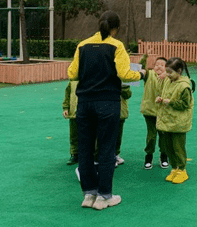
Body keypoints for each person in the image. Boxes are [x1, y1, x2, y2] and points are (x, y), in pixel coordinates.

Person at [67, 11, 145, 210]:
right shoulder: (116, 46)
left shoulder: (82, 45)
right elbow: (124, 74)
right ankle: (104, 196)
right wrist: (142, 74)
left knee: (85, 149)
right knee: (106, 149)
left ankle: (89, 194)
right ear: (115, 28)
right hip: (107, 102)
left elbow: (72, 73)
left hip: (84, 103)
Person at [156, 57, 195, 184]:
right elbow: (166, 94)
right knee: (169, 147)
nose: (167, 75)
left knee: (178, 147)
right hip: (167, 120)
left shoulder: (184, 86)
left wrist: (171, 102)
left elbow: (185, 104)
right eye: (166, 71)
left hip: (178, 122)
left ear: (179, 71)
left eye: (170, 72)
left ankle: (182, 170)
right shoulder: (168, 81)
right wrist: (161, 99)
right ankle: (174, 168)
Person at [140, 56, 169, 170]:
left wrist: (168, 74)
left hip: (164, 112)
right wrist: (145, 57)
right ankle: (149, 156)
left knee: (164, 136)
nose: (159, 67)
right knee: (151, 136)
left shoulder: (169, 77)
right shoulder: (149, 75)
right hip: (150, 111)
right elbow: (140, 69)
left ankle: (164, 156)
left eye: (162, 65)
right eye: (157, 64)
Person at [62, 81, 79, 165]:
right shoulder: (73, 80)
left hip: (88, 112)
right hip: (74, 113)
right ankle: (75, 154)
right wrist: (66, 108)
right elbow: (68, 93)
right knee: (74, 135)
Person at [114, 84, 132, 166]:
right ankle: (108, 157)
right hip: (106, 112)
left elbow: (128, 95)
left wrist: (123, 86)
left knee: (118, 135)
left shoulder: (122, 80)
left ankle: (116, 154)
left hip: (120, 112)